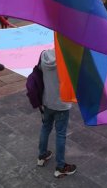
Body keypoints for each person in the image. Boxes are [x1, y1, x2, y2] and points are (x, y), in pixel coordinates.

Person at [36, 49, 77, 178]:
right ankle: (60, 167)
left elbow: (39, 71)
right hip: (61, 104)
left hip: (47, 101)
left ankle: (42, 156)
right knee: (60, 134)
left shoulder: (44, 55)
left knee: (45, 128)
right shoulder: (67, 58)